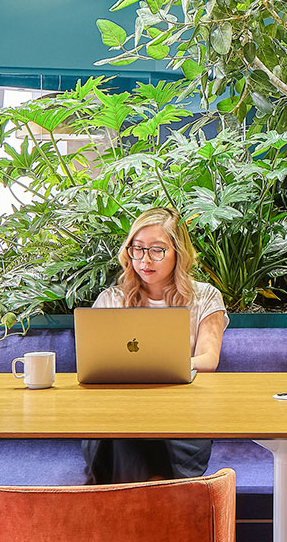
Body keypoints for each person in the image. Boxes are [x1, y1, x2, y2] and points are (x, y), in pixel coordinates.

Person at [82, 207, 229, 484]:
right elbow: (94, 363)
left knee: (137, 436)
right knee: (122, 432)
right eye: (137, 249)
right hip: (116, 415)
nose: (144, 260)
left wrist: (168, 366)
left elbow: (209, 359)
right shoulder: (111, 300)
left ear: (179, 253)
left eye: (156, 250)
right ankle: (152, 507)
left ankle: (129, 511)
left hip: (180, 416)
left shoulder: (206, 297)